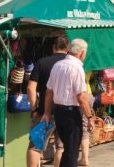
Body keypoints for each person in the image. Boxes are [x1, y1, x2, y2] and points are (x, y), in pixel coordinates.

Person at [41, 39, 95, 167]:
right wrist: (90, 117)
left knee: (67, 148)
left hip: (59, 112)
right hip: (71, 113)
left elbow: (49, 92)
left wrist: (47, 113)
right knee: (71, 150)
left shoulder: (57, 65)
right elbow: (81, 97)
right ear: (82, 53)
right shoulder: (77, 68)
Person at [27, 36, 69, 167]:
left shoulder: (42, 62)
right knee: (61, 147)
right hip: (65, 112)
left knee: (35, 147)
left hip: (45, 113)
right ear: (67, 49)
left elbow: (30, 88)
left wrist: (34, 109)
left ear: (53, 47)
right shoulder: (71, 64)